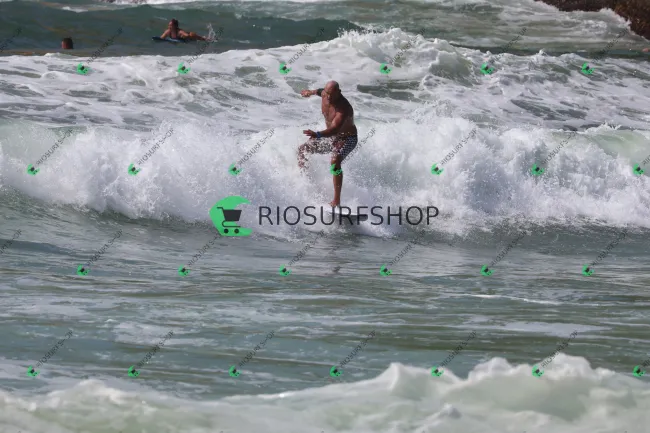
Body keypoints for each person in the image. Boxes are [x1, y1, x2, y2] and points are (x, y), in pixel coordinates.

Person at [298, 81, 358, 208]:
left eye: (332, 94)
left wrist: (317, 134)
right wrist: (310, 92)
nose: (329, 97)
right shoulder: (324, 94)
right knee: (303, 149)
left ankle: (336, 201)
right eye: (327, 93)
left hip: (347, 139)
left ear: (339, 92)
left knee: (335, 161)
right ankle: (304, 182)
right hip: (331, 138)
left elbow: (335, 129)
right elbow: (319, 91)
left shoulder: (344, 108)